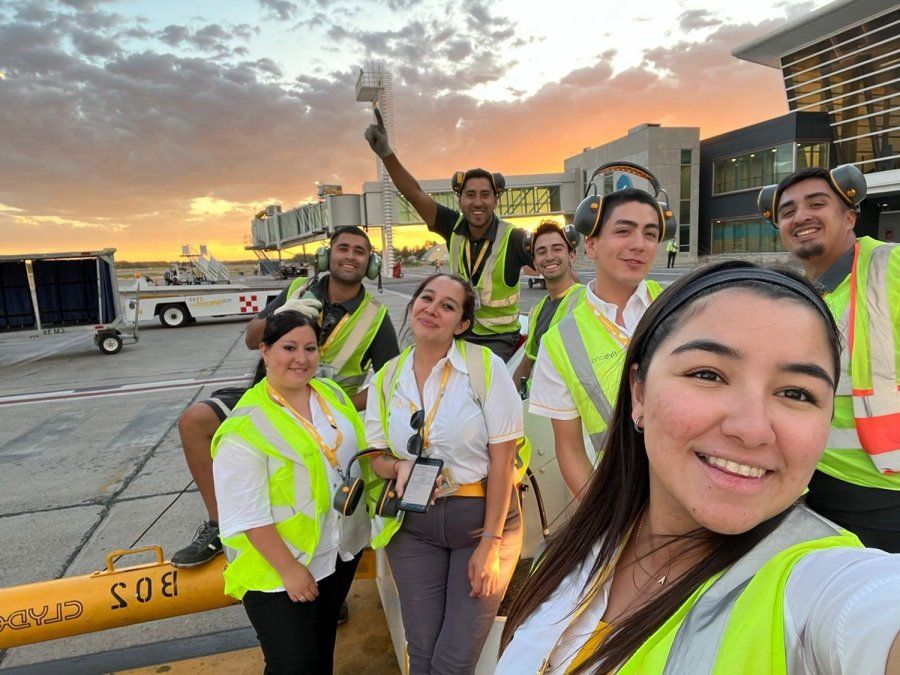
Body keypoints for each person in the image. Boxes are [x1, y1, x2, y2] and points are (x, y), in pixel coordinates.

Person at [497, 261, 900, 674]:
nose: (752, 429)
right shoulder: (577, 549)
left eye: (796, 393)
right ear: (639, 392)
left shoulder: (821, 587)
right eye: (708, 374)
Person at [172, 225, 399, 568]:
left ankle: (330, 563)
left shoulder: (375, 316)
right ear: (328, 255)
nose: (349, 256)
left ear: (370, 263)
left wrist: (346, 406)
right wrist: (278, 315)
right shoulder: (297, 288)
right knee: (194, 421)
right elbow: (252, 339)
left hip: (325, 410)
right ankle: (219, 525)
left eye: (359, 251)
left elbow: (389, 381)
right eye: (343, 248)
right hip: (271, 396)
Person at [364, 273, 524, 674]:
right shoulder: (386, 377)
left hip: (481, 522)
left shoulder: (486, 369)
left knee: (454, 661)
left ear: (463, 324)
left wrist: (490, 544)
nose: (432, 310)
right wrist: (399, 465)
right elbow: (375, 457)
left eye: (447, 306)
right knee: (421, 653)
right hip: (414, 525)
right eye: (427, 298)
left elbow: (503, 462)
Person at [212, 311, 371, 673]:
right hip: (279, 574)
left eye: (310, 348)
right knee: (293, 666)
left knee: (320, 657)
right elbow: (246, 513)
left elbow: (354, 456)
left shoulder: (329, 393)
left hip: (334, 556)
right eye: (289, 347)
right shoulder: (245, 426)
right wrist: (290, 571)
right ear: (265, 351)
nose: (301, 358)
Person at [759, 165, 900, 552]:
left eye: (816, 204)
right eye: (788, 212)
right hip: (813, 488)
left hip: (887, 493)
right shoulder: (798, 295)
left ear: (850, 217)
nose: (800, 216)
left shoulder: (891, 267)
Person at [530, 188, 666, 498]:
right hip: (625, 494)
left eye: (650, 234)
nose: (639, 244)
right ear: (591, 246)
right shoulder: (559, 342)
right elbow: (569, 449)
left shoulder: (682, 304)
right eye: (623, 231)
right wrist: (606, 519)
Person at [364, 112, 532, 362]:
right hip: (457, 331)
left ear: (495, 200)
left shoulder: (514, 237)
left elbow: (554, 265)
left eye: (485, 195)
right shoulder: (452, 225)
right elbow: (414, 193)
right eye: (471, 194)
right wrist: (386, 154)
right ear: (460, 199)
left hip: (497, 340)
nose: (478, 202)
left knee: (473, 387)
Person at [512, 220, 585, 388]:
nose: (550, 256)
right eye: (541, 252)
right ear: (535, 263)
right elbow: (527, 362)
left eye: (557, 249)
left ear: (571, 256)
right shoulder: (536, 311)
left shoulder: (587, 299)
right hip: (538, 403)